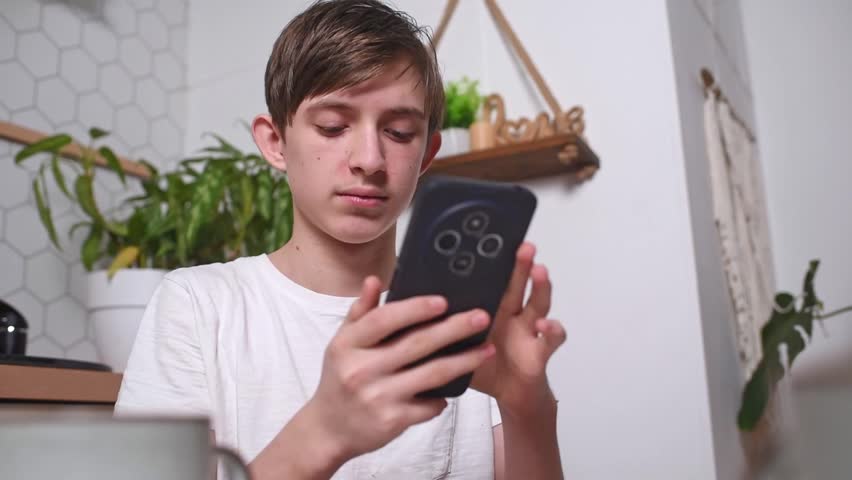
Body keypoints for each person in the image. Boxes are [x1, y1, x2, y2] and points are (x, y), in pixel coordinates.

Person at [115, 1, 566, 478]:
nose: (370, 159)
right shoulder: (199, 307)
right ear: (275, 142)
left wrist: (529, 408)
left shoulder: (467, 322)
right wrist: (324, 431)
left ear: (427, 154)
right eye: (333, 126)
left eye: (399, 131)